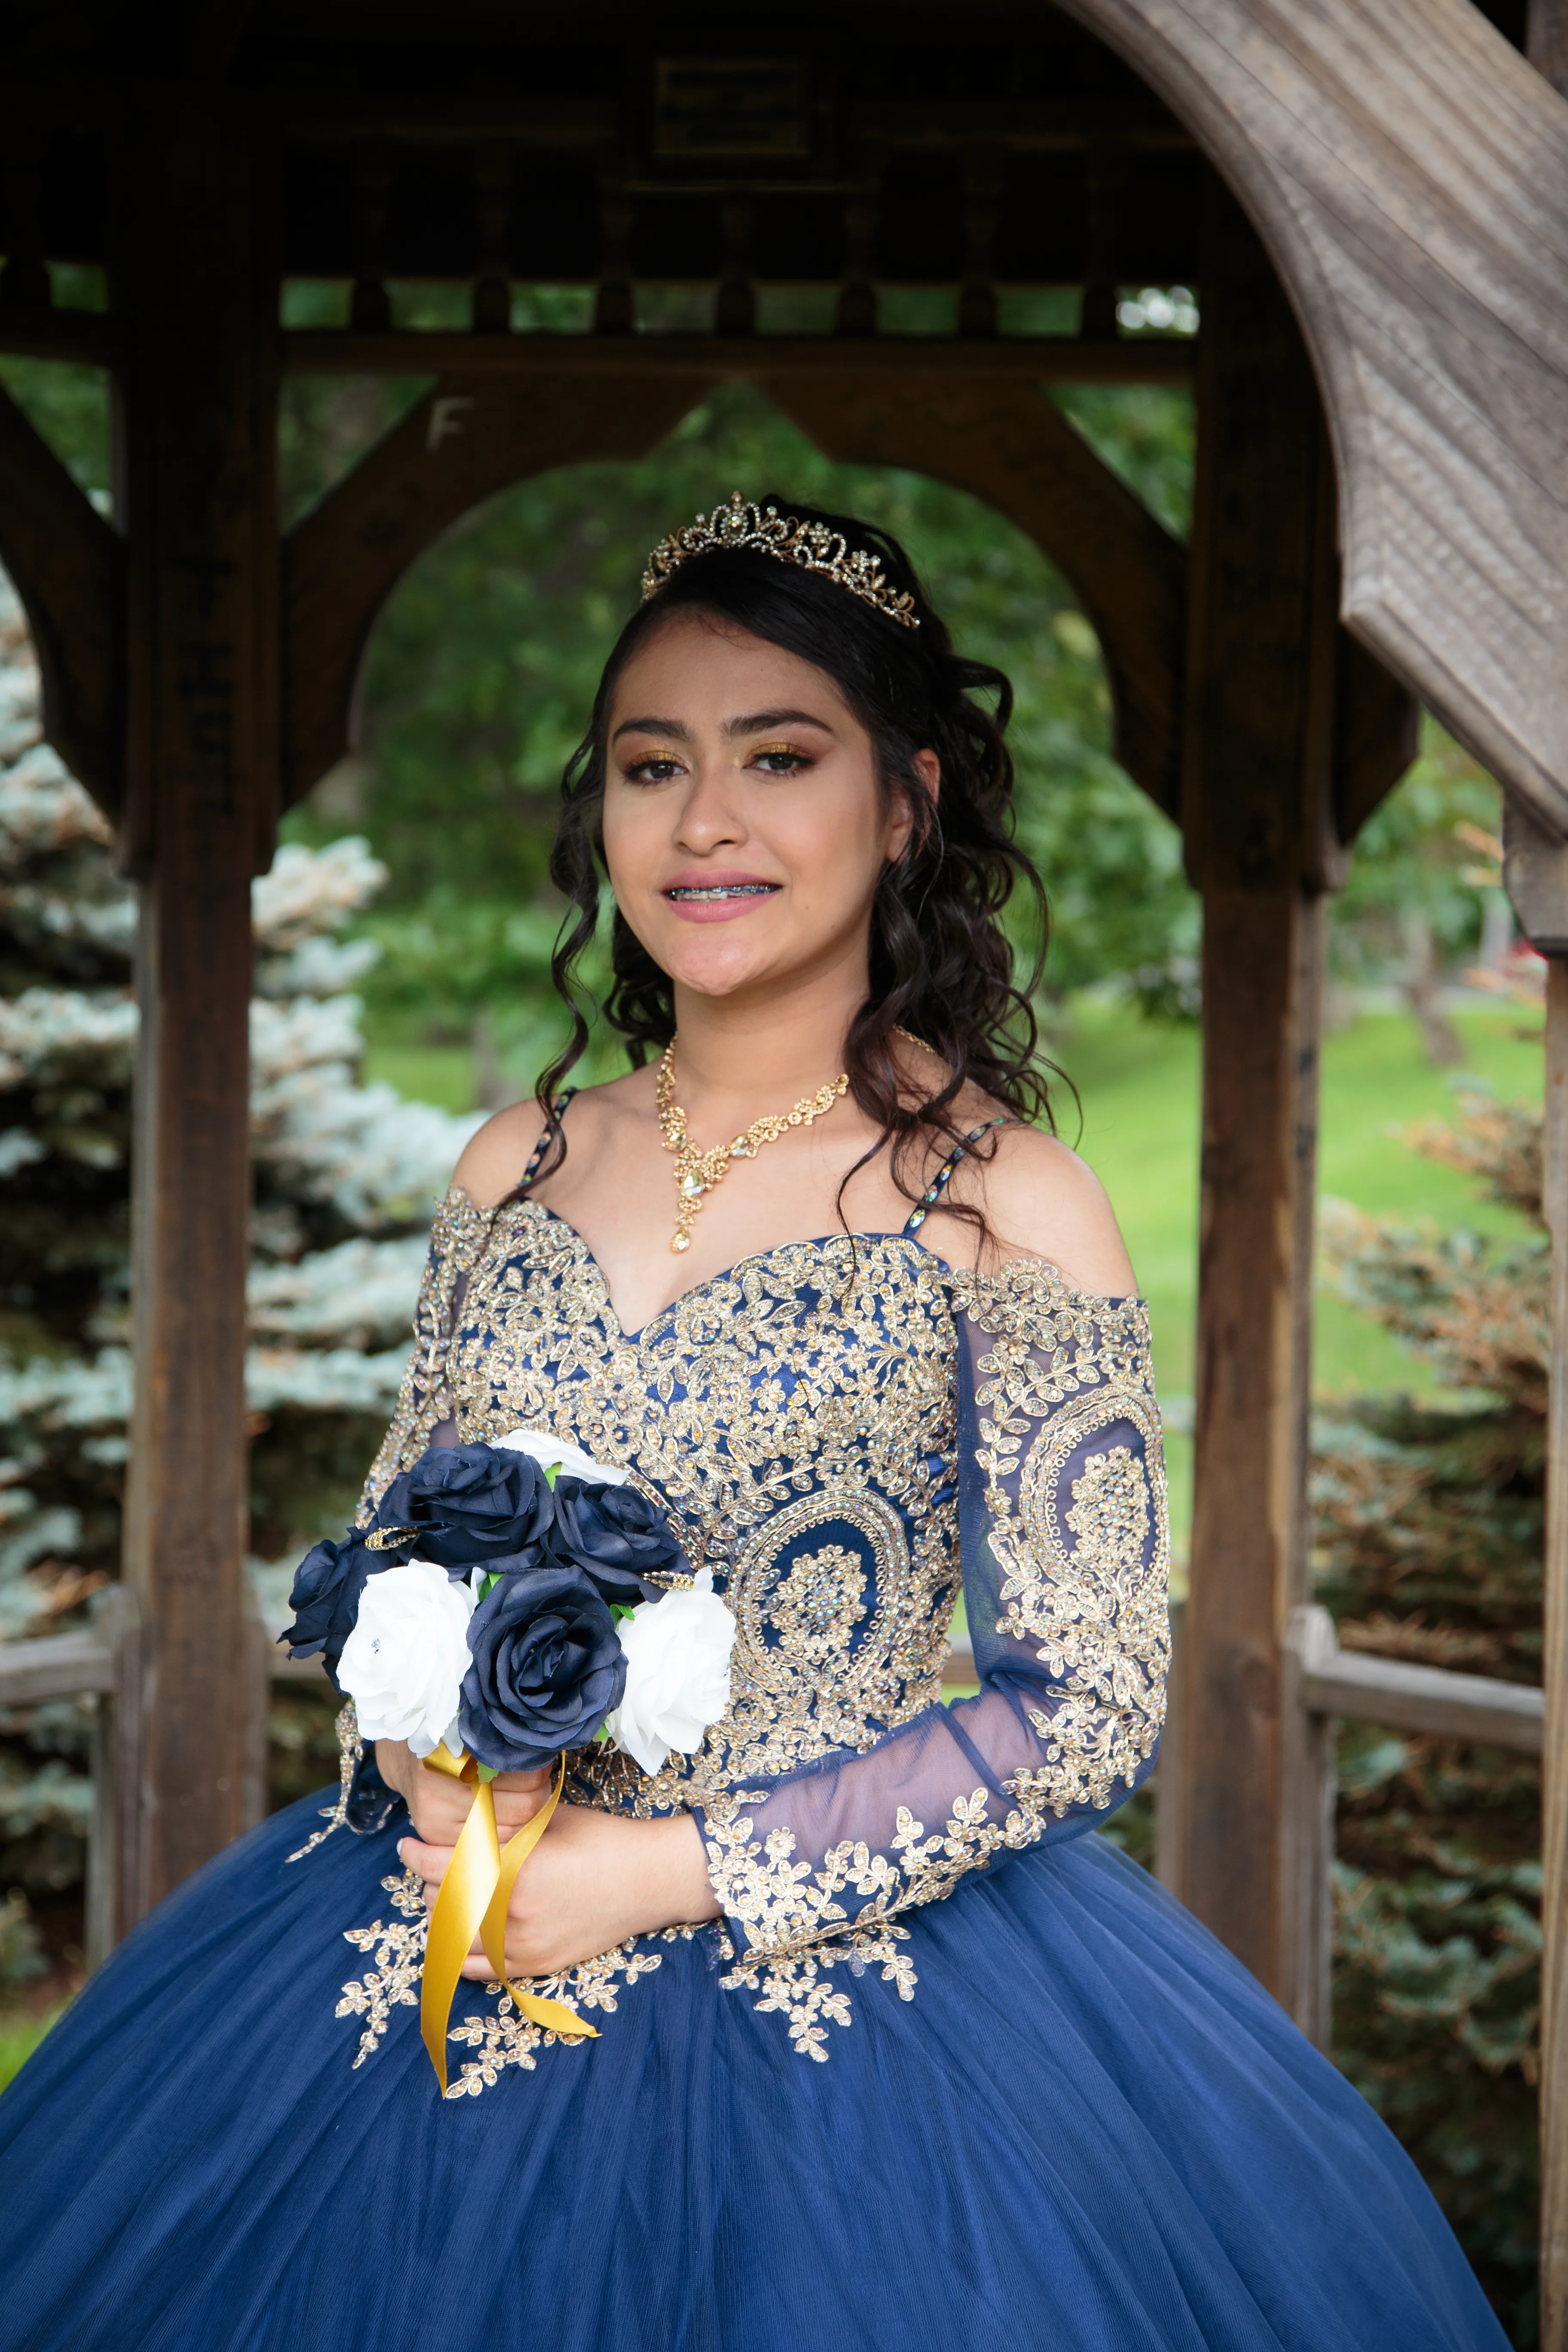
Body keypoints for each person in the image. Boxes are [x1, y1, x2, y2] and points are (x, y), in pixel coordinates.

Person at [0, 493, 1507, 2352]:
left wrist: (669, 1873)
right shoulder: (514, 1165)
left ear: (909, 804)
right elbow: (394, 1547)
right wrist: (429, 1769)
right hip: (437, 1932)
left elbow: (1090, 1699)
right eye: (654, 768)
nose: (704, 821)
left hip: (851, 2017)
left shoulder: (1003, 1203)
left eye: (778, 758)